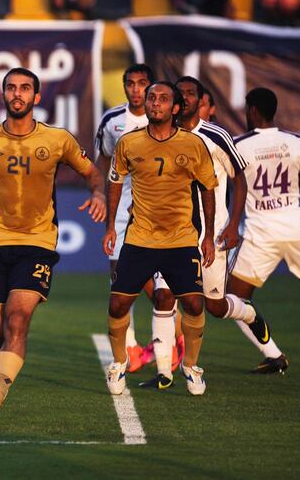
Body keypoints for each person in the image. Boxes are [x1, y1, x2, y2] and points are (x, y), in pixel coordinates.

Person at [0, 68, 106, 429]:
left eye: (25, 88)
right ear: (4, 96)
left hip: (37, 244)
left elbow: (92, 172)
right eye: (12, 88)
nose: (18, 94)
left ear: (36, 96)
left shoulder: (58, 139)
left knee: (18, 319)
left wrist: (97, 193)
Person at [140, 76, 277, 388]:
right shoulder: (160, 136)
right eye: (182, 94)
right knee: (164, 296)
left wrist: (232, 225)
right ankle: (164, 374)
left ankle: (249, 315)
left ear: (200, 101)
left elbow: (240, 177)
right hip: (171, 234)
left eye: (192, 93)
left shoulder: (215, 135)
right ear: (175, 102)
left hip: (212, 236)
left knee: (212, 306)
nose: (186, 98)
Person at [104, 81, 218, 396]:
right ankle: (118, 364)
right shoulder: (128, 143)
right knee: (117, 304)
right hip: (140, 238)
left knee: (194, 305)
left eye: (163, 99)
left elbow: (208, 188)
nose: (155, 103)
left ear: (175, 108)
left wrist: (207, 236)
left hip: (181, 239)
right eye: (152, 98)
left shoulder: (193, 145)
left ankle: (192, 368)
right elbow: (115, 181)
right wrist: (111, 226)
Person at [228, 87, 300, 373]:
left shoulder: (239, 145)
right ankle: (273, 357)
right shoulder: (293, 141)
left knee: (233, 299)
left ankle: (273, 355)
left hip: (261, 233)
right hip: (293, 226)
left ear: (253, 110)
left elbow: (232, 183)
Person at [94, 64, 182, 375]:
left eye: (141, 83)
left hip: (158, 212)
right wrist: (99, 195)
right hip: (121, 211)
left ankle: (174, 341)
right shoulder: (112, 121)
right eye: (129, 83)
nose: (135, 90)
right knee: (120, 280)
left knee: (162, 289)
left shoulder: (166, 119)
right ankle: (130, 348)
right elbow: (103, 160)